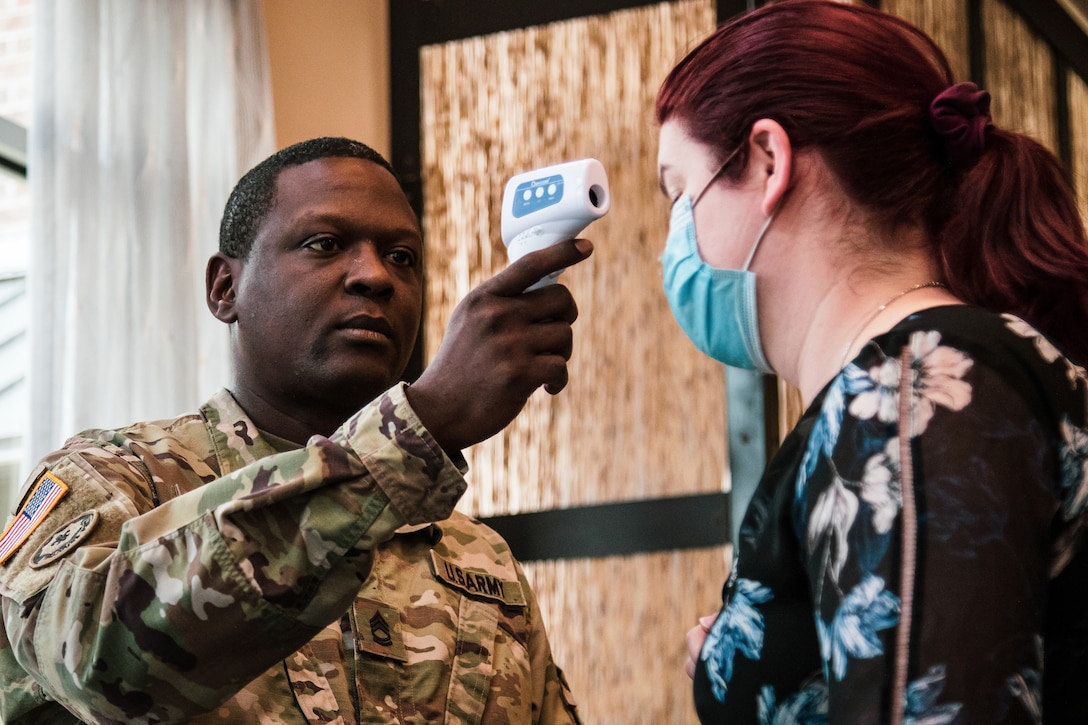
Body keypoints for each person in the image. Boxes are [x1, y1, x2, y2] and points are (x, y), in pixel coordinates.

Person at [0, 136, 589, 723]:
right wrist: (419, 429)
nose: (375, 276)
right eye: (325, 244)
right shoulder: (113, 480)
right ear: (225, 289)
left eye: (402, 257)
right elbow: (97, 666)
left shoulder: (482, 560)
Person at [654, 1, 1088, 722]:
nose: (675, 240)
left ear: (768, 159)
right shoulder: (908, 385)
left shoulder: (920, 387)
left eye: (678, 193)